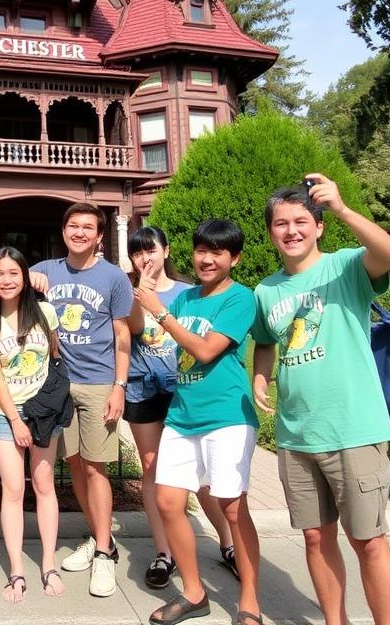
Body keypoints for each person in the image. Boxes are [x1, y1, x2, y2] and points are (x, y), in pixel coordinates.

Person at [252, 175, 390, 625]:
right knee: (316, 539)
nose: (291, 230)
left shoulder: (346, 267)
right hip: (296, 437)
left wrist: (342, 207)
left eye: (302, 221)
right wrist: (261, 375)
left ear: (318, 227)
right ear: (271, 232)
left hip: (353, 430)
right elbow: (264, 341)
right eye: (281, 223)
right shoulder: (266, 290)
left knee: (369, 541)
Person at [134, 219, 262, 625]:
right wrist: (146, 288)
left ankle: (250, 600)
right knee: (169, 501)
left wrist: (160, 313)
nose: (206, 259)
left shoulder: (240, 299)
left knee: (232, 508)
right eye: (201, 250)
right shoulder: (186, 298)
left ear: (234, 258)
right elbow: (147, 330)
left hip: (226, 416)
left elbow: (206, 350)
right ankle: (193, 592)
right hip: (183, 415)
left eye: (217, 252)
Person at [125, 227, 237, 590]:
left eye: (151, 250)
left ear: (166, 250)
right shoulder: (134, 293)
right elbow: (136, 329)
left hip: (181, 387)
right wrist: (140, 295)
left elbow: (200, 343)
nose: (146, 258)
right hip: (144, 387)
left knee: (201, 475)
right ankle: (164, 552)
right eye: (138, 252)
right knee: (152, 469)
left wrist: (157, 300)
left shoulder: (187, 294)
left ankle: (228, 543)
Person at [30, 202, 133, 598]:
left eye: (87, 227)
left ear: (99, 235)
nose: (79, 232)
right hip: (58, 382)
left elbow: (122, 334)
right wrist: (27, 276)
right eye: (73, 225)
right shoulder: (47, 270)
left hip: (96, 383)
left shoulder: (113, 277)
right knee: (73, 464)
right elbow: (4, 277)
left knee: (96, 469)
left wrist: (119, 386)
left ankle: (106, 551)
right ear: (64, 230)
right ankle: (97, 536)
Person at [0, 247, 66, 603]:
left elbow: (55, 356)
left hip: (44, 411)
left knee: (45, 485)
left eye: (14, 273)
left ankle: (48, 564)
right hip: (4, 412)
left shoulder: (45, 312)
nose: (7, 280)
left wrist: (44, 406)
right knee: (13, 490)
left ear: (25, 277)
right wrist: (14, 419)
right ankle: (16, 569)